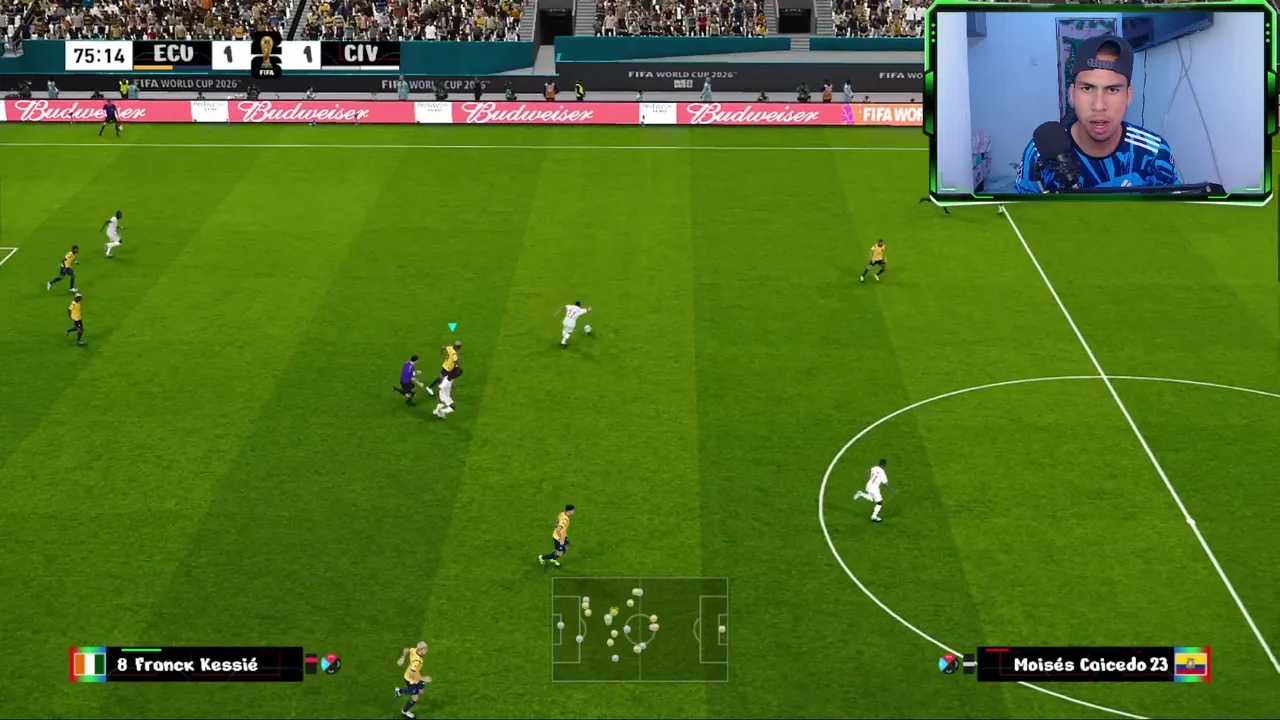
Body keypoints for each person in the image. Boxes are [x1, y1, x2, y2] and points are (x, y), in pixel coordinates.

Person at [1015, 34, 1181, 193]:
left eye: (1112, 89)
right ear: (1072, 94)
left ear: (1128, 96)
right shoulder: (1040, 154)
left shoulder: (1154, 154)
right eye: (1087, 88)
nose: (1099, 106)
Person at [394, 641, 432, 719]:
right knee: (415, 697)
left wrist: (403, 656)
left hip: (416, 674)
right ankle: (404, 710)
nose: (427, 650)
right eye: (425, 649)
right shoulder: (417, 661)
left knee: (421, 691)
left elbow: (406, 649)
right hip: (410, 679)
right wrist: (424, 678)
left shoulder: (414, 650)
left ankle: (401, 692)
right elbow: (412, 674)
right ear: (420, 649)